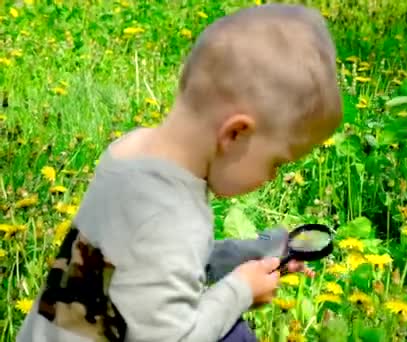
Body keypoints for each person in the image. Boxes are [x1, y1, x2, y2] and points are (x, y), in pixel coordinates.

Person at [16, 3, 342, 342]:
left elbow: (152, 264)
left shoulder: (129, 152)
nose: (273, 177)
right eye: (276, 162)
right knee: (233, 333)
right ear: (235, 134)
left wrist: (252, 253)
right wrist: (241, 290)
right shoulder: (175, 220)